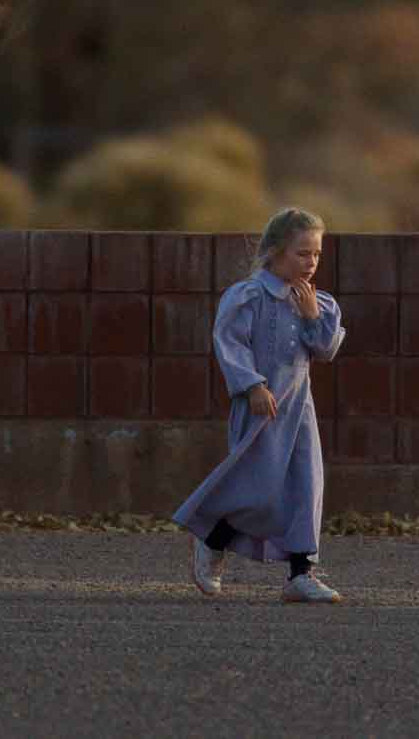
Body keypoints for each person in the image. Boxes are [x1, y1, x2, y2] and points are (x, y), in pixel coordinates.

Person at [174, 206, 347, 603]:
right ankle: (212, 540)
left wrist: (310, 316)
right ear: (274, 252)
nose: (311, 262)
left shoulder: (318, 303)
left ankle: (301, 573)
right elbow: (229, 342)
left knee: (306, 484)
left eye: (317, 254)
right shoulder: (248, 296)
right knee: (257, 487)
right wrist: (251, 385)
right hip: (261, 408)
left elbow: (324, 349)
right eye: (302, 253)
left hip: (299, 411)